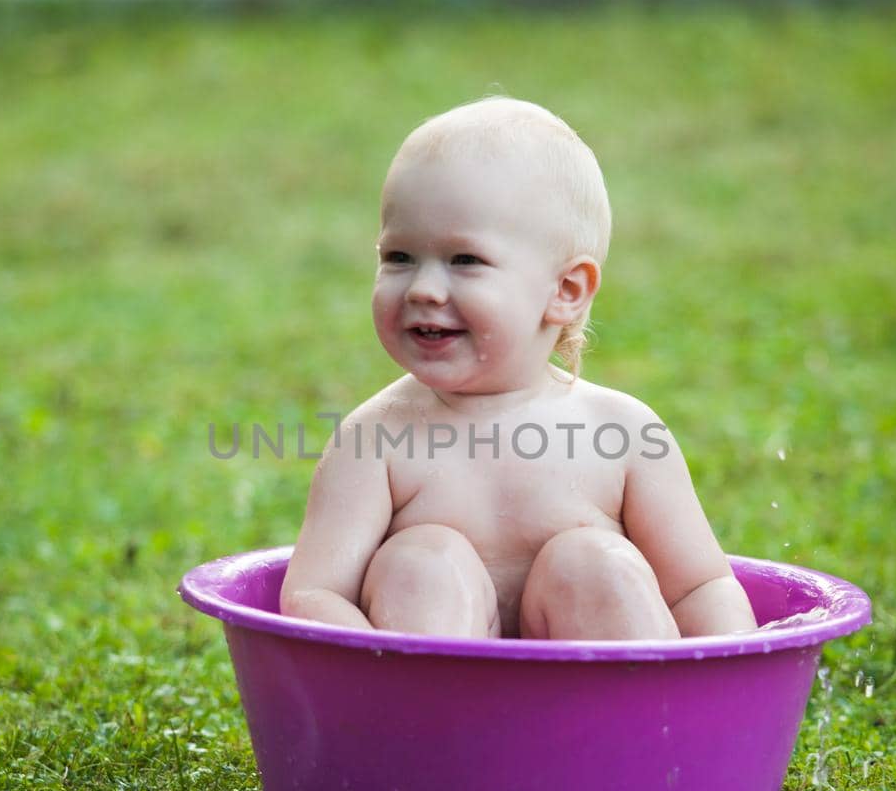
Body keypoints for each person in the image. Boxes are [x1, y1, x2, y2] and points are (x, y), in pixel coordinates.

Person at [279, 96, 756, 640]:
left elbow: (698, 588)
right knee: (421, 562)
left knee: (594, 563)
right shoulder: (373, 441)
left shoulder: (622, 435)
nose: (423, 288)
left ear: (565, 291)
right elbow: (314, 595)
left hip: (606, 716)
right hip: (431, 709)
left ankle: (642, 715)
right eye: (398, 257)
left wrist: (733, 670)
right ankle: (439, 710)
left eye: (465, 260)